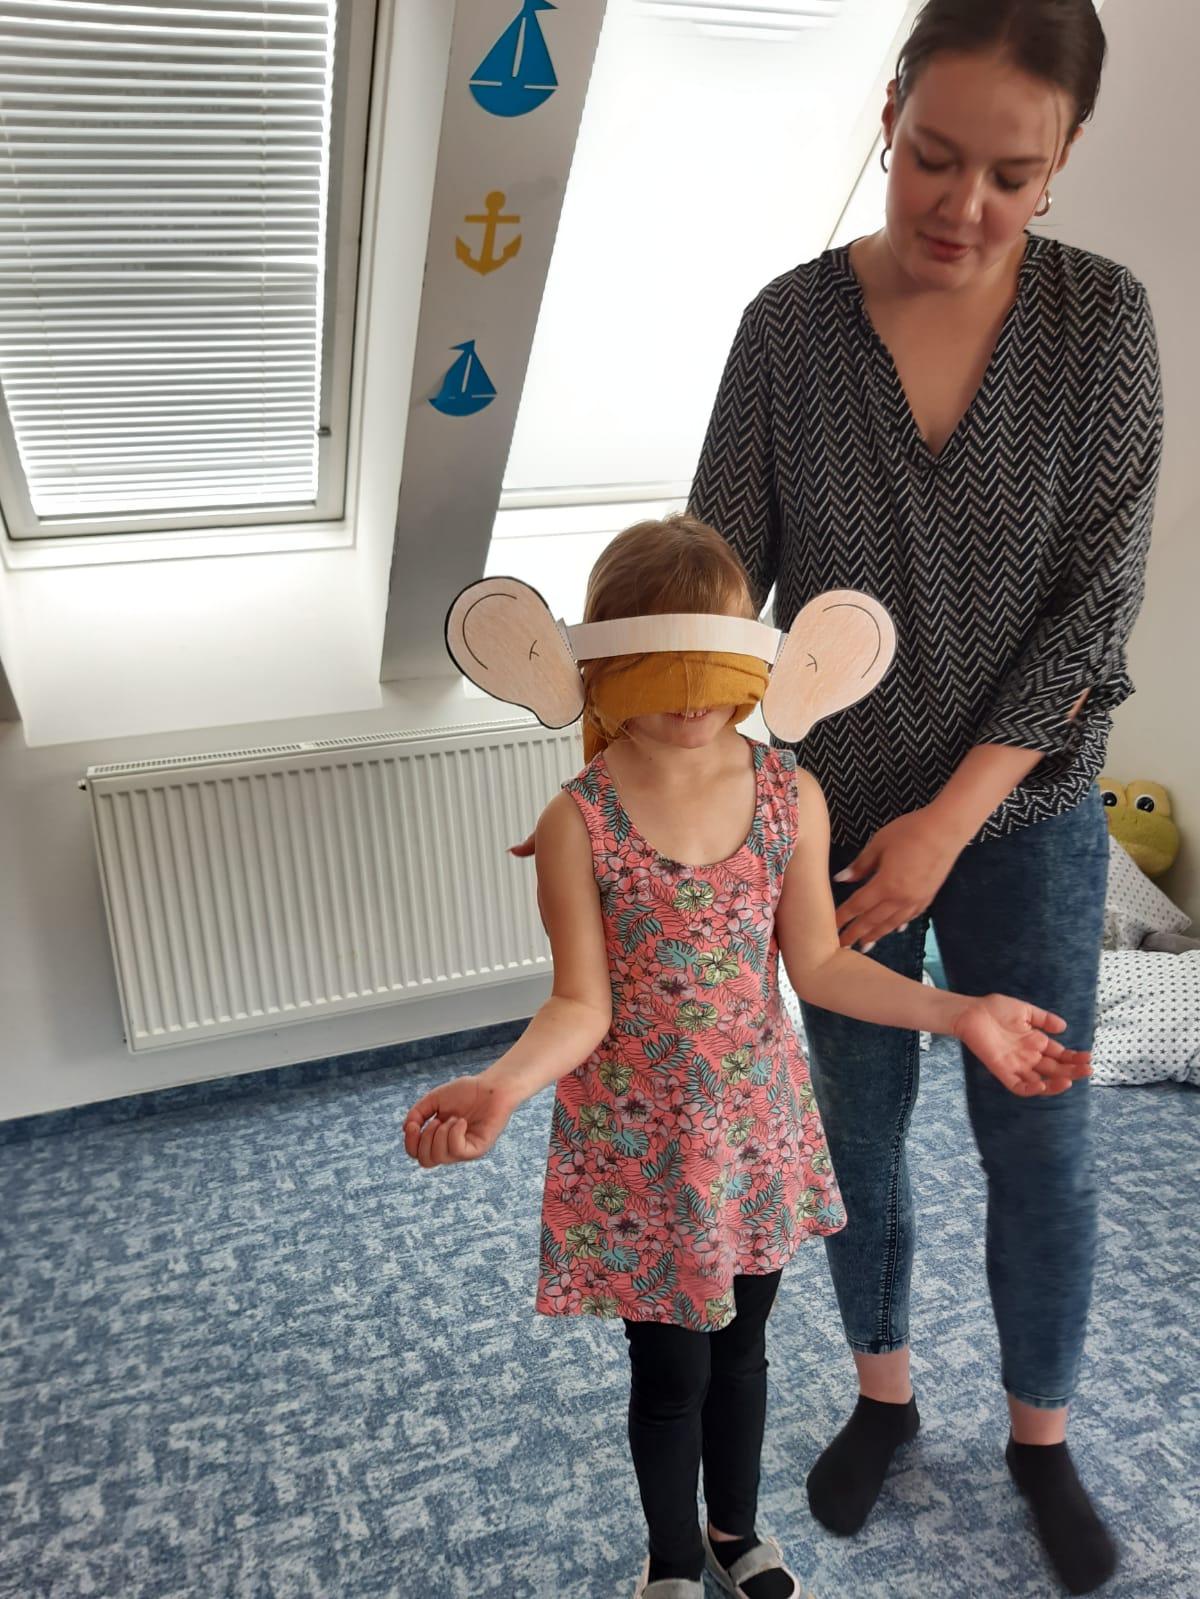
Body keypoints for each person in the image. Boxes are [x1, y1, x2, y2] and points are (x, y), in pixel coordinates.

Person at [688, 2, 1164, 1593]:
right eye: (933, 156)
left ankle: (1041, 1432)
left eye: (1011, 176)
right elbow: (720, 589)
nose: (964, 206)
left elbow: (1094, 616)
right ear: (888, 111)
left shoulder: (1105, 323)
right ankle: (884, 1393)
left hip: (1026, 816)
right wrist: (674, 779)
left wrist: (948, 821)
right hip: (832, 823)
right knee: (857, 1135)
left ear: (1065, 156)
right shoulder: (787, 330)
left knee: (1044, 1137)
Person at [405, 517, 1092, 1599]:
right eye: (663, 669)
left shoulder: (790, 796)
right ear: (609, 667)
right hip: (642, 1154)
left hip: (754, 1134)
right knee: (669, 1373)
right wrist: (502, 1086)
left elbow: (820, 965)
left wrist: (957, 1011)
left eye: (713, 668)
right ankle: (673, 1558)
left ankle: (735, 1533)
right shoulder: (579, 820)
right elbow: (580, 1003)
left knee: (743, 1354)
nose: (692, 701)